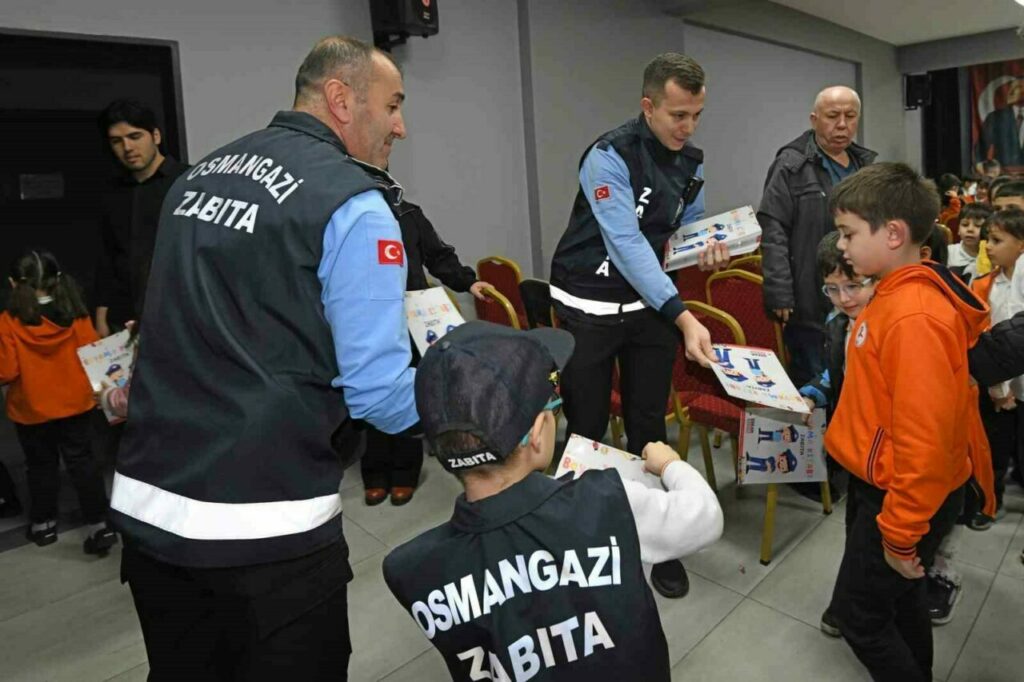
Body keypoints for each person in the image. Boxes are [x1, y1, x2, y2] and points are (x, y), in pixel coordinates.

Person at [109, 36, 418, 680]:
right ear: (341, 99)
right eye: (392, 105)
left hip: (150, 506)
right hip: (265, 523)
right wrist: (491, 407)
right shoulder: (353, 203)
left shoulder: (196, 177)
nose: (400, 126)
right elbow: (380, 393)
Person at [382, 321, 723, 681]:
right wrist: (670, 465)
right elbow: (706, 517)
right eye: (553, 408)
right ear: (538, 433)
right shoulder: (611, 503)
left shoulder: (411, 570)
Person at [548, 52, 726, 601]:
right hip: (588, 305)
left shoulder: (691, 162)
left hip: (648, 308)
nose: (688, 127)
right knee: (587, 429)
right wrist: (683, 314)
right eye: (678, 115)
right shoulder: (608, 156)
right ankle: (586, 543)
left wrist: (706, 247)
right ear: (648, 106)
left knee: (649, 427)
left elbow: (685, 229)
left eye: (697, 115)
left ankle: (662, 544)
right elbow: (625, 242)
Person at [824, 162, 988, 681]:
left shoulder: (913, 316)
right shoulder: (891, 292)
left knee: (860, 617)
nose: (842, 245)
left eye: (849, 233)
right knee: (901, 600)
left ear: (893, 234)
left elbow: (925, 442)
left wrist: (898, 535)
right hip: (889, 485)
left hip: (902, 496)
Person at [361, 200, 492, 506]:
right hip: (367, 318)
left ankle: (405, 472)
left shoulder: (408, 213)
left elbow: (439, 257)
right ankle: (375, 471)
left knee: (409, 390)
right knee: (372, 391)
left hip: (410, 318)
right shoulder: (351, 216)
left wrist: (469, 282)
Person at [759, 86, 878, 386]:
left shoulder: (865, 166)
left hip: (861, 294)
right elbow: (773, 231)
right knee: (816, 382)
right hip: (810, 295)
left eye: (850, 116)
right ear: (814, 120)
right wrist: (780, 292)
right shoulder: (792, 165)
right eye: (833, 116)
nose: (842, 125)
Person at [0, 250, 117, 555]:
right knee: (83, 462)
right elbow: (92, 351)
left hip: (32, 409)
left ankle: (44, 525)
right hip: (76, 404)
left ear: (13, 283)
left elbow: (6, 371)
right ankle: (99, 525)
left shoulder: (8, 322)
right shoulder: (76, 313)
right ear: (57, 280)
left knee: (40, 466)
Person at [94, 99, 189, 337]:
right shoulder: (112, 194)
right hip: (124, 314)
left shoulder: (189, 181)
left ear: (155, 136)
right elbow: (108, 256)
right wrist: (101, 313)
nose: (127, 147)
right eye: (116, 141)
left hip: (178, 311)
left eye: (134, 136)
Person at [966, 208, 1024, 525]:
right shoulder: (983, 285)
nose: (988, 247)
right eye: (988, 239)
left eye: (997, 240)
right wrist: (998, 389)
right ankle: (990, 501)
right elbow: (984, 336)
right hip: (995, 385)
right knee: (994, 449)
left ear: (1021, 244)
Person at [977, 77, 1024, 169]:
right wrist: (980, 165)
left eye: (1018, 87)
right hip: (1003, 173)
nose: (1011, 92)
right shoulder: (995, 117)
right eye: (1012, 88)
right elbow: (981, 147)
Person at [947, 202, 993, 283]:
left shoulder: (993, 255)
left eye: (978, 225)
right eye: (965, 225)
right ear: (958, 229)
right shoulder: (949, 252)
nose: (970, 229)